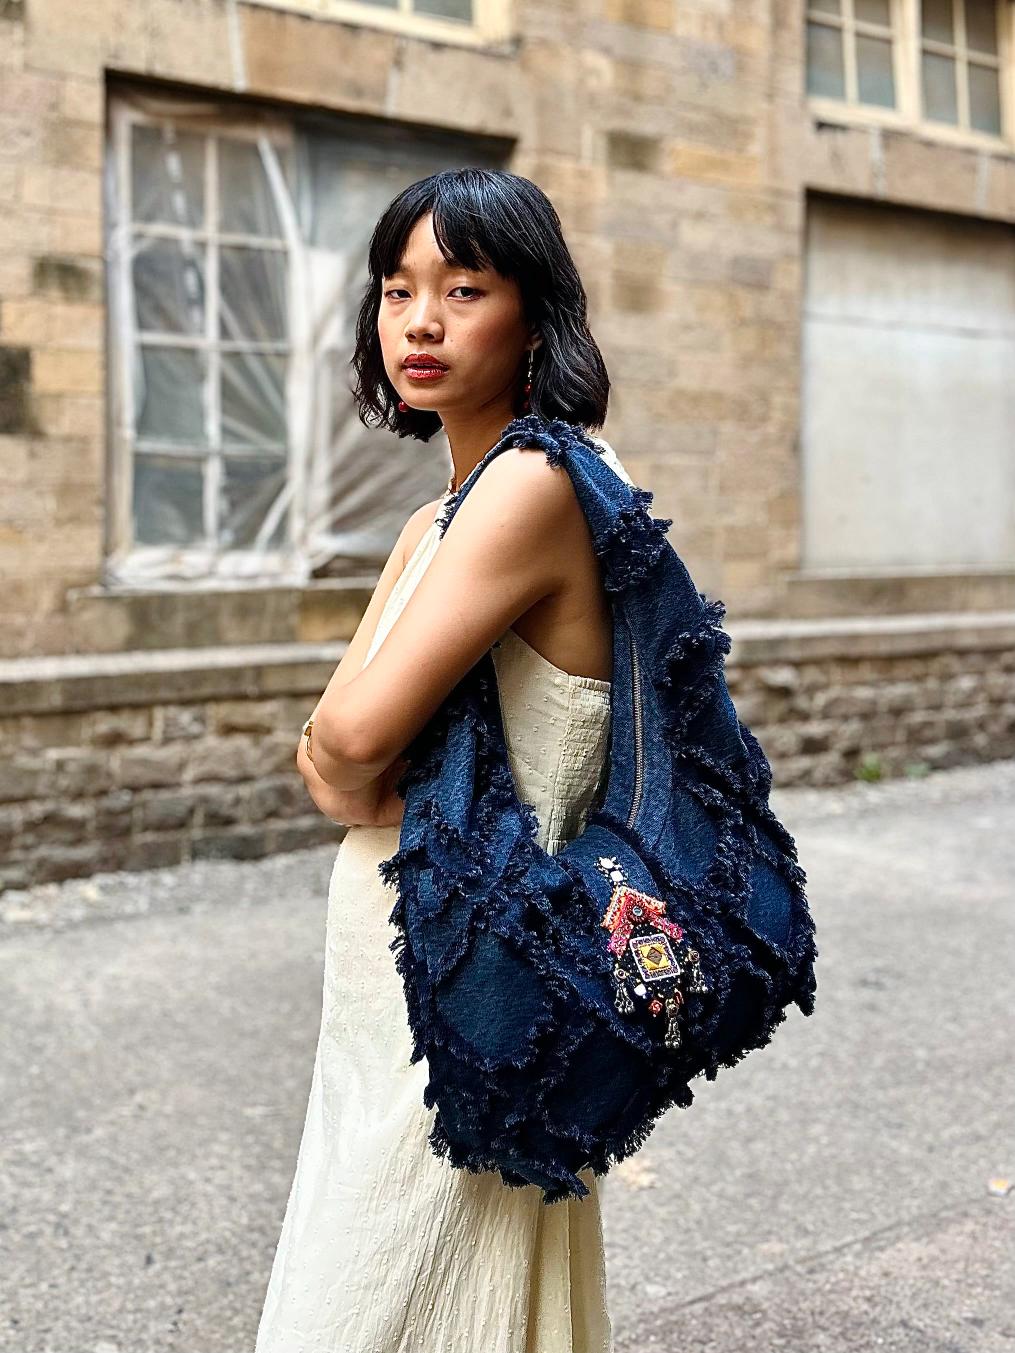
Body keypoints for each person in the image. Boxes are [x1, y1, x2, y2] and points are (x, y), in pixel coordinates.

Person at [254, 167, 635, 1353]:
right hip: (403, 963)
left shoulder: (534, 486)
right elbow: (340, 765)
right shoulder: (440, 516)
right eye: (396, 289)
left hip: (467, 969)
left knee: (362, 1304)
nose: (419, 321)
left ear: (535, 315)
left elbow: (346, 750)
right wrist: (345, 761)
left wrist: (348, 760)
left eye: (463, 289)